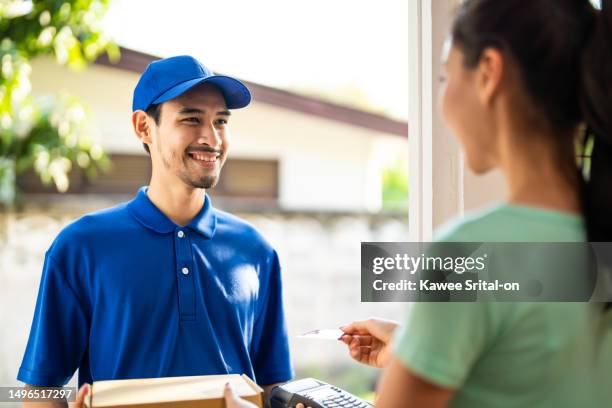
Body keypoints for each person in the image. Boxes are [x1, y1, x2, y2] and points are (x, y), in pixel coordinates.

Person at [339, 0, 612, 406]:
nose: (444, 101)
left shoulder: (470, 253)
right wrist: (413, 348)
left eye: (446, 76)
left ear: (488, 72)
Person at [17, 55, 294, 406]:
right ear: (144, 127)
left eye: (221, 121)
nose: (212, 138)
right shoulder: (81, 247)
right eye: (191, 119)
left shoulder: (255, 251)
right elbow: (40, 389)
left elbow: (274, 387)